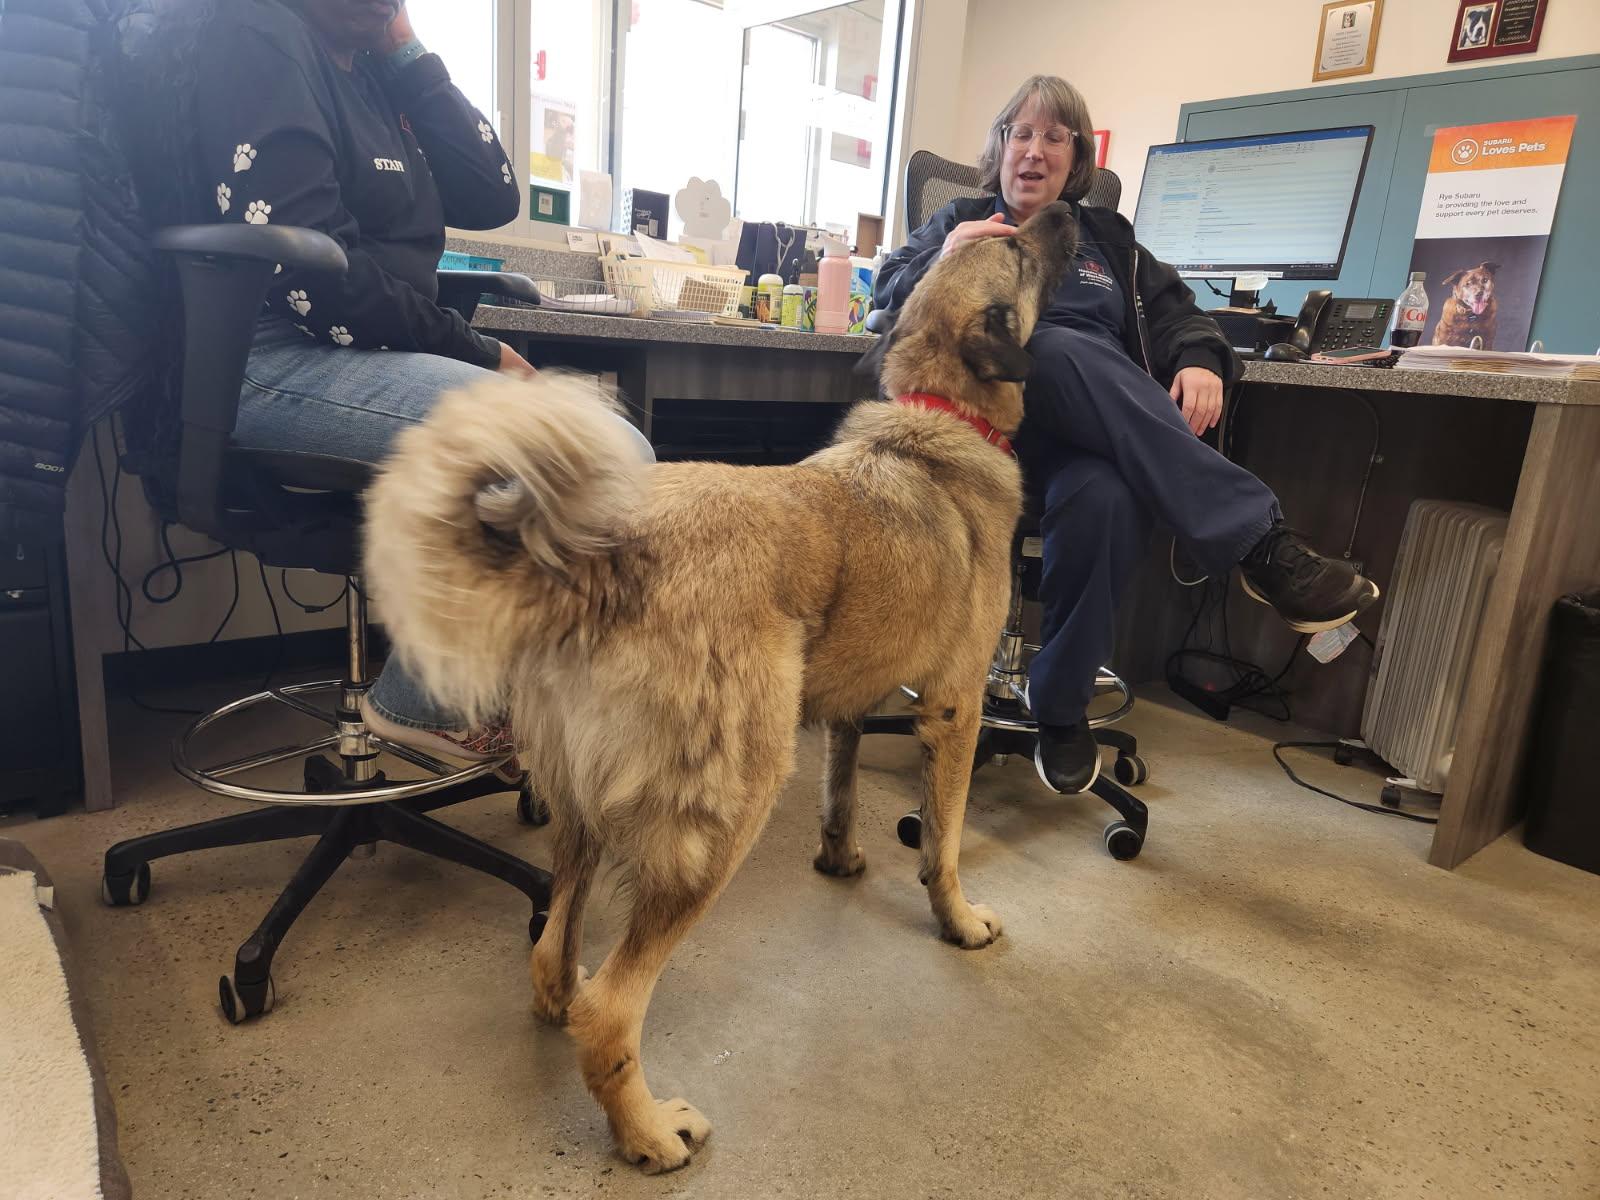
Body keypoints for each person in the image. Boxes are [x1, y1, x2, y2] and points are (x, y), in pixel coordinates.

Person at [874, 76, 1379, 795]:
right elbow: (883, 296)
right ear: (1000, 147)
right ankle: (1259, 545)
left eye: (1054, 137)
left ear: (1077, 157)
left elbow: (1181, 316)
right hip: (978, 443)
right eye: (1021, 134)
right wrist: (943, 255)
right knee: (1049, 343)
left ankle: (1059, 707)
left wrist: (1200, 358)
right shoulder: (961, 220)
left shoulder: (1109, 240)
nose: (1034, 151)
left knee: (1106, 495)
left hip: (1089, 434)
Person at [192, 0, 535, 760]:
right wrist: (480, 353)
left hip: (375, 350)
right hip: (271, 359)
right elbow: (319, 282)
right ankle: (427, 702)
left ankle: (481, 691)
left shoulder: (378, 76)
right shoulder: (259, 36)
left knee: (604, 447)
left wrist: (408, 54)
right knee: (566, 457)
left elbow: (493, 196)